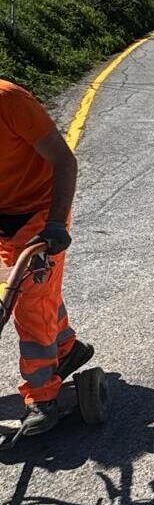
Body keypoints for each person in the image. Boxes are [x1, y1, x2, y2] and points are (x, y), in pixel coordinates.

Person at [0, 80, 93, 435]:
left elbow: (65, 162)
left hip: (41, 211)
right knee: (37, 291)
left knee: (26, 299)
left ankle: (41, 395)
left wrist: (55, 223)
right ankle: (66, 348)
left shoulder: (10, 102)